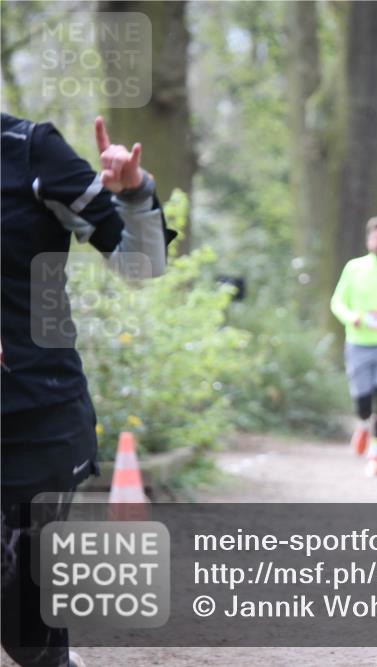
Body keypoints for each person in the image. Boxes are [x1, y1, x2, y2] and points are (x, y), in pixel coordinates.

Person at [1, 113, 174, 667]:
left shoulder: (29, 151)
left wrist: (135, 194)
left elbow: (140, 263)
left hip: (34, 418)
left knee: (26, 628)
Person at [330, 216, 377, 477]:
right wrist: (353, 318)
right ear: (368, 241)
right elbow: (337, 302)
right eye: (376, 239)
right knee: (362, 400)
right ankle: (363, 424)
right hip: (358, 343)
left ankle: (376, 454)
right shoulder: (354, 268)